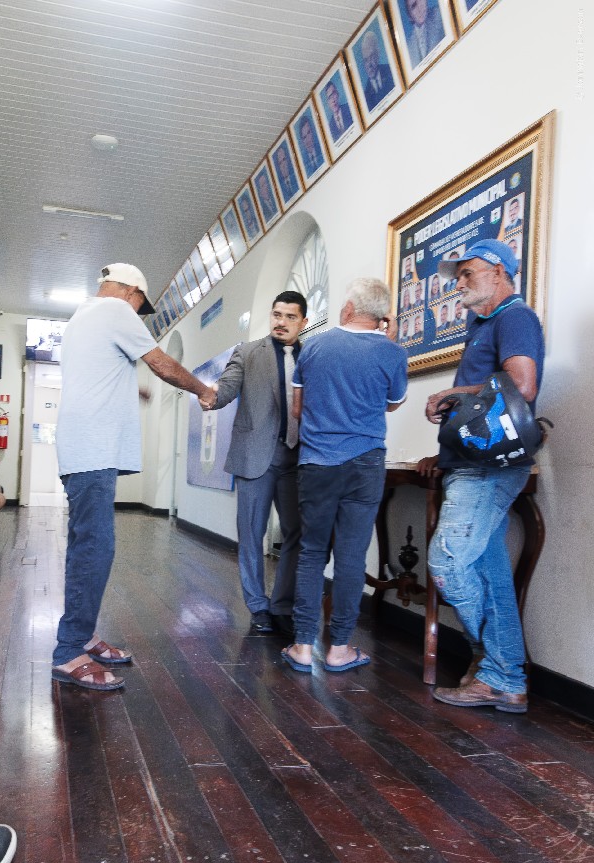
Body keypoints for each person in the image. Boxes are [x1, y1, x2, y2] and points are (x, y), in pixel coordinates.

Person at [53, 263, 216, 691]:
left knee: (87, 546)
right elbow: (162, 364)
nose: (138, 312)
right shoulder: (116, 310)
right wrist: (204, 390)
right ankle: (68, 650)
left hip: (82, 449)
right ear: (132, 292)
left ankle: (82, 635)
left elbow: (98, 375)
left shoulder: (82, 317)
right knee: (94, 548)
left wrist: (131, 390)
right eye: (141, 305)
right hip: (91, 451)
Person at [417, 239, 545, 713]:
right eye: (459, 276)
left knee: (448, 563)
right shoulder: (483, 324)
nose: (460, 283)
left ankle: (498, 671)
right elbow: (487, 401)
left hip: (488, 469)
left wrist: (453, 394)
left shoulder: (515, 317)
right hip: (470, 464)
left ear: (499, 272)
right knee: (491, 576)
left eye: (468, 272)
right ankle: (504, 676)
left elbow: (522, 386)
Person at [281, 277, 407, 673]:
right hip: (365, 463)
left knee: (312, 552)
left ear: (349, 308)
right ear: (382, 317)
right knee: (352, 557)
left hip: (317, 462)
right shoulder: (393, 352)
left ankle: (302, 646)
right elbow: (392, 404)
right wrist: (389, 343)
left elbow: (298, 410)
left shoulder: (314, 347)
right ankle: (339, 649)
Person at [209, 292, 308, 638]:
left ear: (303, 322)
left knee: (297, 532)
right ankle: (258, 606)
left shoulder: (313, 355)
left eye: (290, 317)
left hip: (299, 458)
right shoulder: (248, 352)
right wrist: (208, 395)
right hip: (256, 456)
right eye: (277, 314)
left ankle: (282, 605)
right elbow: (225, 389)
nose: (281, 322)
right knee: (252, 533)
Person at [405, 0, 445, 69]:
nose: (420, 7)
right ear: (410, 17)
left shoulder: (439, 15)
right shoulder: (409, 48)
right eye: (413, 6)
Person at [361, 29, 395, 110]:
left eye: (371, 57)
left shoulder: (391, 71)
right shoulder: (366, 95)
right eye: (366, 60)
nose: (369, 64)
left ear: (378, 54)